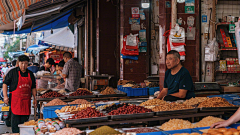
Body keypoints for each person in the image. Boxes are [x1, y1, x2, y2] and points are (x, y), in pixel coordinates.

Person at [3, 55, 37, 133]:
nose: (23, 66)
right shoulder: (13, 72)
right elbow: (5, 84)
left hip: (26, 103)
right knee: (15, 125)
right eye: (22, 63)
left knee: (25, 124)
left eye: (25, 63)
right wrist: (5, 97)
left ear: (28, 64)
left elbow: (33, 87)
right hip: (16, 103)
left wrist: (35, 98)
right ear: (18, 63)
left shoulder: (30, 74)